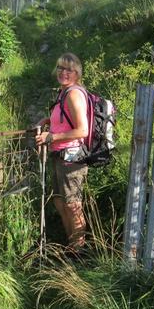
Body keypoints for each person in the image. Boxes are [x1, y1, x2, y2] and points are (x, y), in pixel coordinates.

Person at [35, 53, 89, 251]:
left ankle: (79, 250)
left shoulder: (74, 94)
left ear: (77, 74)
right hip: (59, 156)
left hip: (72, 158)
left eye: (69, 69)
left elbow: (83, 130)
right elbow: (66, 120)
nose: (63, 72)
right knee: (60, 202)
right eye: (60, 67)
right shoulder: (63, 93)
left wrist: (51, 137)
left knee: (73, 205)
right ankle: (71, 244)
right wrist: (49, 122)